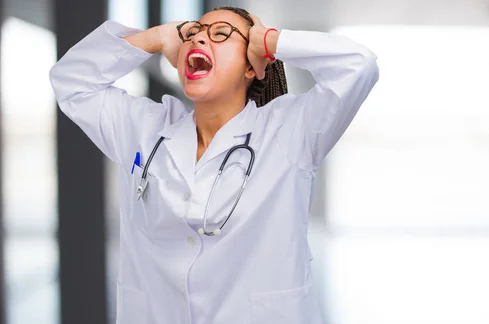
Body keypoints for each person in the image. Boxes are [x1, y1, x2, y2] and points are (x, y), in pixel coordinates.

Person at [49, 6, 378, 324]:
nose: (198, 39)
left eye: (221, 34)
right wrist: (158, 37)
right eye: (192, 33)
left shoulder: (289, 131)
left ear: (252, 66)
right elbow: (71, 81)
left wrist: (271, 41)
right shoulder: (146, 130)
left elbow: (358, 66)